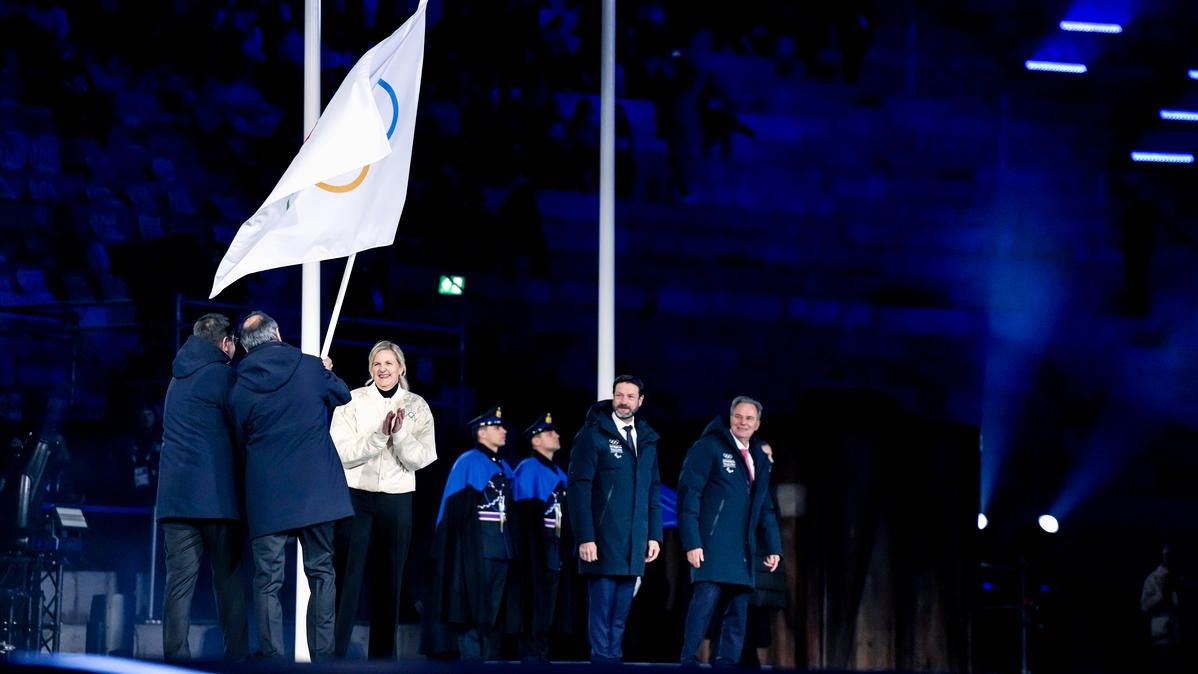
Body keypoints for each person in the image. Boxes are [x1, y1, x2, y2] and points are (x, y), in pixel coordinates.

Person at [228, 311, 353, 660]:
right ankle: (323, 661)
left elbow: (238, 437)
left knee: (268, 581)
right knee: (322, 573)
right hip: (317, 492)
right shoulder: (310, 367)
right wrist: (325, 372)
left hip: (268, 496)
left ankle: (272, 661)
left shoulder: (238, 384)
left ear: (246, 347)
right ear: (278, 333)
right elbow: (343, 394)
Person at [329, 340, 437, 659]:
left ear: (401, 368)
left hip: (397, 499)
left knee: (390, 583)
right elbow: (341, 452)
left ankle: (383, 662)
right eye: (377, 363)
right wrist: (379, 436)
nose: (383, 368)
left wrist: (399, 434)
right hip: (356, 497)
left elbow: (422, 458)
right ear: (370, 368)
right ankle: (334, 659)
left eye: (389, 363)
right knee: (347, 581)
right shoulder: (352, 400)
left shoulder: (417, 405)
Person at [156, 313, 248, 660]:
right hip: (217, 501)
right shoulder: (223, 376)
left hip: (175, 502)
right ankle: (236, 660)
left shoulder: (175, 379)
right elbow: (243, 425)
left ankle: (175, 661)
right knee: (228, 584)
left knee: (178, 587)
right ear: (225, 343)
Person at [677, 396, 782, 666]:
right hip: (711, 544)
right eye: (738, 416)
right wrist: (692, 542)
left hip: (743, 548)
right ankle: (688, 660)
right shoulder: (709, 447)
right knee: (703, 606)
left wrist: (774, 547)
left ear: (757, 424)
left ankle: (726, 663)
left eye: (749, 418)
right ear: (730, 417)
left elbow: (765, 506)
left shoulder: (759, 457)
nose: (743, 422)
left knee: (737, 611)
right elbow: (689, 494)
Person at [567, 375, 663, 664]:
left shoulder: (647, 440)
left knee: (621, 613)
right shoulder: (592, 435)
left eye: (630, 396)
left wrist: (654, 535)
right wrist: (585, 537)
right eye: (619, 395)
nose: (623, 401)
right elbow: (578, 489)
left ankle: (614, 660)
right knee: (602, 609)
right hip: (602, 539)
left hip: (634, 541)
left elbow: (652, 490)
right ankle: (602, 661)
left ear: (640, 401)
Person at [428, 405, 515, 661]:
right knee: (472, 614)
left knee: (491, 617)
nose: (504, 431)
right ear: (482, 433)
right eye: (497, 427)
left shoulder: (504, 466)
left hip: (502, 550)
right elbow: (450, 512)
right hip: (477, 551)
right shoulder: (468, 462)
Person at [511, 412, 570, 663]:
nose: (556, 435)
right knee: (534, 600)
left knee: (550, 604)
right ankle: (530, 653)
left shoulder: (560, 473)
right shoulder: (528, 468)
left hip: (555, 546)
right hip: (537, 547)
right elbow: (525, 517)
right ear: (535, 441)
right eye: (549, 432)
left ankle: (542, 651)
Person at [1141, 544, 1180, 674]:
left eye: (1172, 555)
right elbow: (1144, 606)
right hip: (1161, 637)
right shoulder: (1153, 579)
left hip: (1178, 637)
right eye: (1166, 555)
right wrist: (1160, 596)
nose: (1169, 558)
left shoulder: (1178, 578)